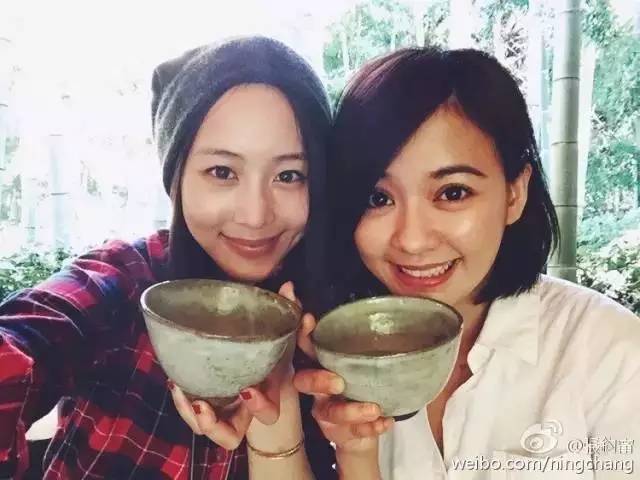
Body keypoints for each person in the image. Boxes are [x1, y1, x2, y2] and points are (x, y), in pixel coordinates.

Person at [294, 46, 640, 479]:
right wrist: (355, 451)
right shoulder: (343, 361)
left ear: (514, 193)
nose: (412, 240)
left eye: (452, 193)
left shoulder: (612, 354)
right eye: (377, 198)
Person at [0, 36, 336, 479]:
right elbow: (27, 337)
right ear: (176, 179)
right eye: (222, 172)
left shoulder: (327, 331)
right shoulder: (123, 280)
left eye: (289, 175)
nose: (255, 215)